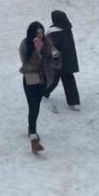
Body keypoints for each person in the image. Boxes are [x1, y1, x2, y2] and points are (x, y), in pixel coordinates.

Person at [19, 21, 60, 152]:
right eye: (37, 33)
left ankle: (31, 129)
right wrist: (37, 52)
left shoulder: (48, 43)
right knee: (33, 106)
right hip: (30, 80)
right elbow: (27, 67)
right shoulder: (25, 45)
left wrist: (54, 57)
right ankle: (33, 133)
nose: (40, 35)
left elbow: (57, 62)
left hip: (43, 81)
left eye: (42, 32)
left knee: (36, 105)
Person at [43, 10, 79, 110]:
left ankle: (44, 92)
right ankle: (74, 102)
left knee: (53, 78)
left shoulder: (53, 32)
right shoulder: (67, 29)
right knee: (69, 80)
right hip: (69, 60)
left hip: (58, 60)